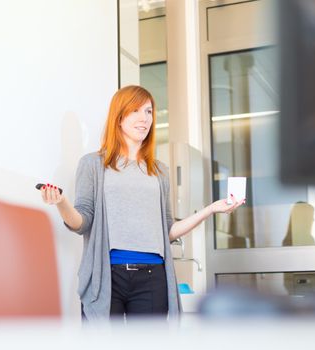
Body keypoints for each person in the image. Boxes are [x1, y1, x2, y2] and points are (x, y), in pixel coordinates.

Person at [40, 85, 244, 322]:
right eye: (135, 110)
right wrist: (62, 202)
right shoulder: (92, 164)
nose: (144, 118)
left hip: (152, 276)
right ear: (119, 117)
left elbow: (167, 230)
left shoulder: (159, 172)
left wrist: (211, 209)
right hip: (108, 275)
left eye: (148, 112)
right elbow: (82, 222)